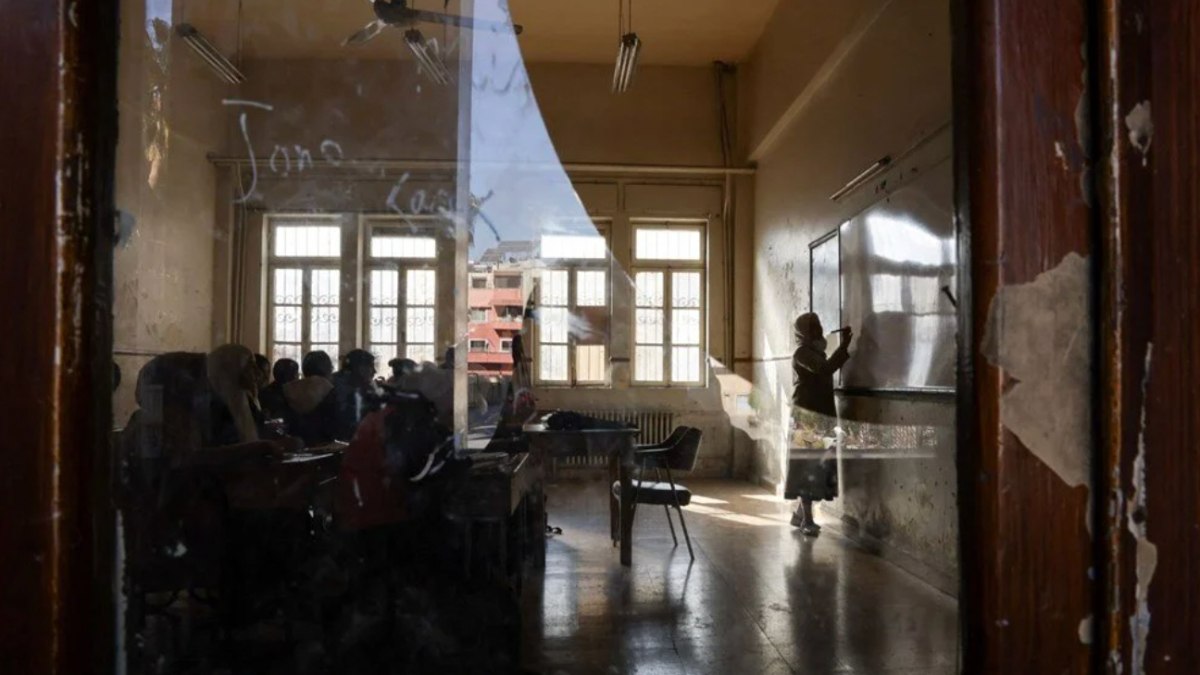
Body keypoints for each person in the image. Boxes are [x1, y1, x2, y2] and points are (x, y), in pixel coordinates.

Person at [786, 313, 852, 536]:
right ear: (804, 332)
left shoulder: (815, 352)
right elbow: (824, 369)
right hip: (807, 417)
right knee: (808, 467)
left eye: (818, 326)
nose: (819, 330)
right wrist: (843, 347)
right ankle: (807, 520)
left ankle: (799, 515)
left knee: (818, 465)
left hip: (820, 415)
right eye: (813, 327)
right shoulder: (802, 353)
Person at [282, 350, 338, 446]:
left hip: (294, 445)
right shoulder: (329, 390)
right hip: (323, 446)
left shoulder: (289, 390)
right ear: (327, 369)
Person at [332, 349, 379, 440]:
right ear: (360, 368)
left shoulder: (338, 381)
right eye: (371, 367)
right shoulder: (338, 388)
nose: (374, 371)